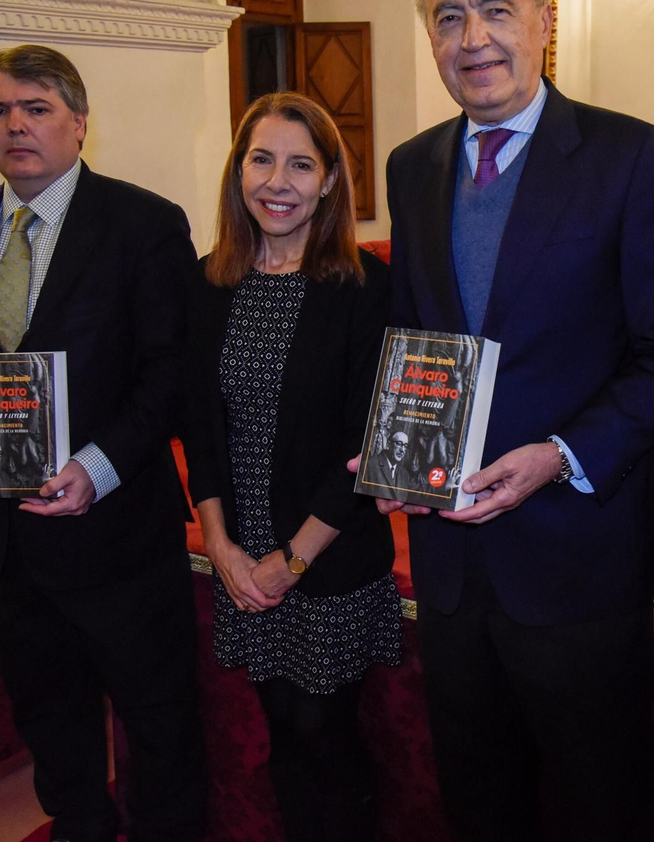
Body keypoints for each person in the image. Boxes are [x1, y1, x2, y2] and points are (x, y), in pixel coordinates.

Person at [380, 0, 654, 840]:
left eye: (495, 9)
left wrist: (560, 455)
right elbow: (418, 337)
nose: (472, 37)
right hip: (448, 561)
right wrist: (396, 451)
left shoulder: (628, 156)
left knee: (600, 799)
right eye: (448, 17)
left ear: (543, 18)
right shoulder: (413, 168)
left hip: (579, 559)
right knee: (479, 796)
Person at [0, 45, 205, 842]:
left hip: (117, 534)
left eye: (35, 108)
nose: (14, 126)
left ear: (78, 122)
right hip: (4, 534)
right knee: (52, 721)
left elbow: (170, 372)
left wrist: (96, 468)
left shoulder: (144, 223)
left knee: (159, 726)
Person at [181, 92, 399, 841]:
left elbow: (363, 449)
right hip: (240, 555)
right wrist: (220, 546)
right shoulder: (208, 281)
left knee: (324, 732)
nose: (278, 181)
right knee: (280, 727)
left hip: (327, 557)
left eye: (301, 164)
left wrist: (290, 563)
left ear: (331, 181)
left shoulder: (365, 288)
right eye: (262, 159)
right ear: (238, 170)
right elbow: (199, 429)